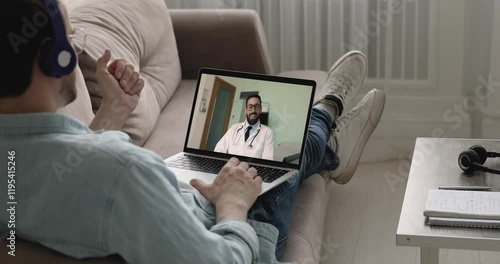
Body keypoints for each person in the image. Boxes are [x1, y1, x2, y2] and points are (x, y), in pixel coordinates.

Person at [0, 0, 386, 263]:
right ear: (54, 56)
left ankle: (328, 125)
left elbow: (71, 173)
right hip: (226, 224)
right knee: (285, 150)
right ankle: (328, 118)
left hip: (170, 201)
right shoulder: (124, 172)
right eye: (72, 38)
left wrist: (113, 112)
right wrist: (234, 204)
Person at [214, 94, 274, 160]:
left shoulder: (267, 132)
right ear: (245, 110)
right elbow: (219, 149)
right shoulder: (234, 128)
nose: (253, 110)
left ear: (260, 109)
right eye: (250, 107)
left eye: (256, 106)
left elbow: (267, 160)